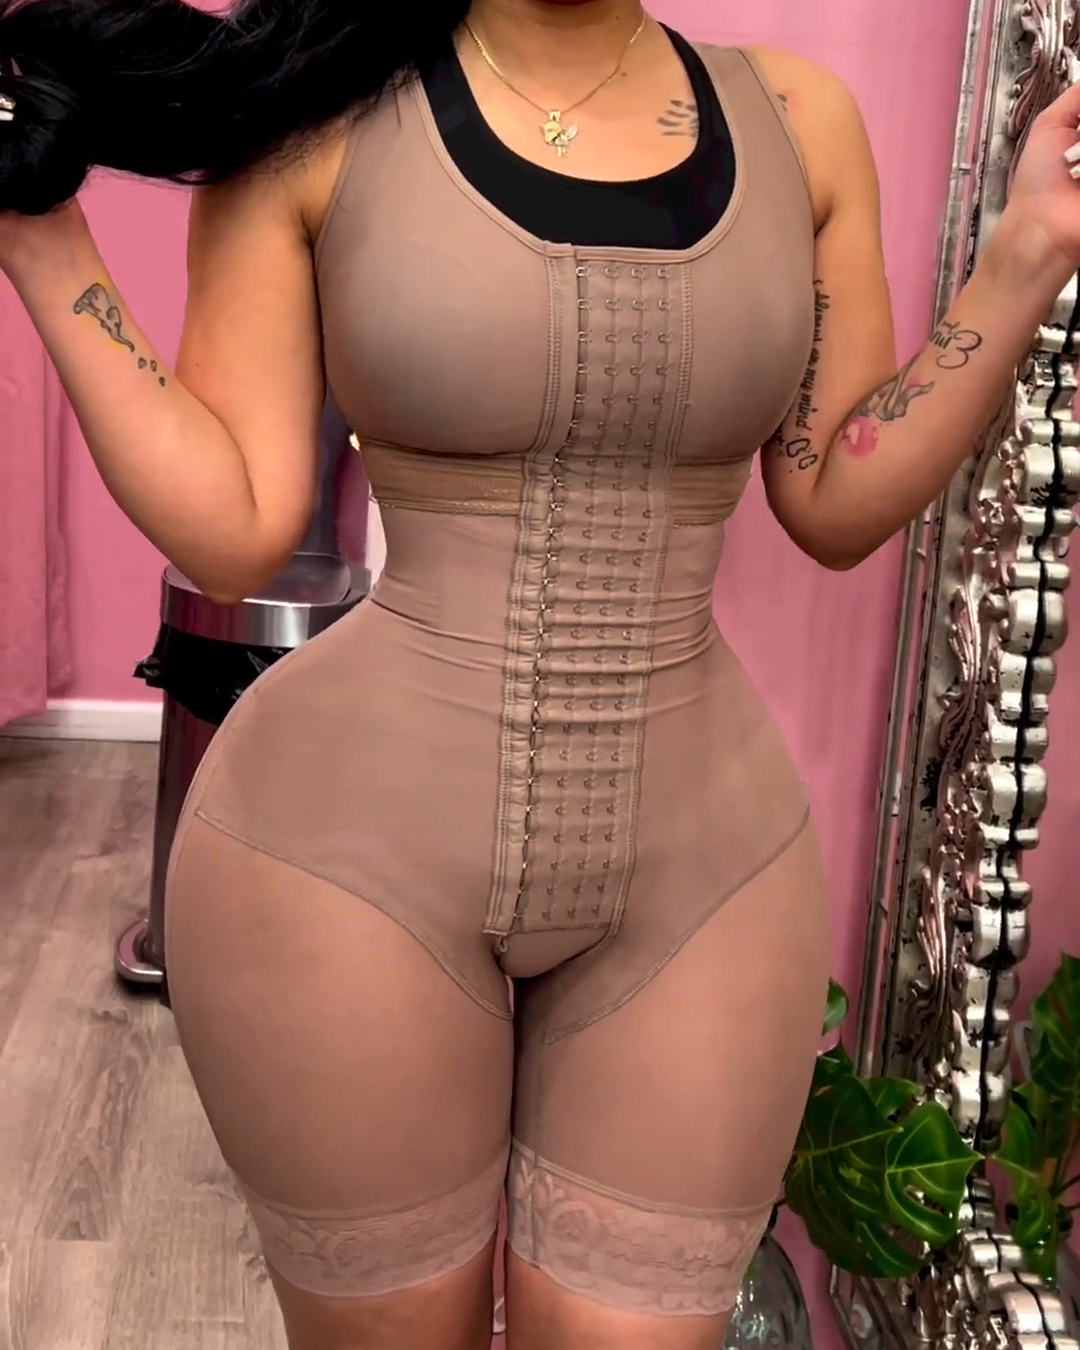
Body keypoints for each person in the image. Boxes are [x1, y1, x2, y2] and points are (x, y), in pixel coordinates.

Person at [1, 1, 1078, 1346]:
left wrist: (1029, 252)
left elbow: (834, 497)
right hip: (344, 861)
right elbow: (235, 522)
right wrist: (39, 237)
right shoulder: (314, 123)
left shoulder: (799, 126)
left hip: (703, 872)